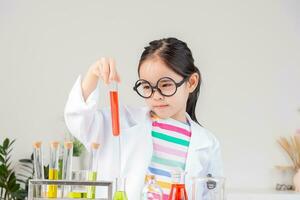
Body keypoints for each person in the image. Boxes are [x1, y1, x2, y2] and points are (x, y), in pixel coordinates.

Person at [64, 37, 223, 199]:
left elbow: (213, 195)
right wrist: (93, 74)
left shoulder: (207, 143)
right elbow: (79, 120)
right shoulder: (122, 122)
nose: (156, 96)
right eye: (147, 87)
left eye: (166, 84)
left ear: (191, 82)